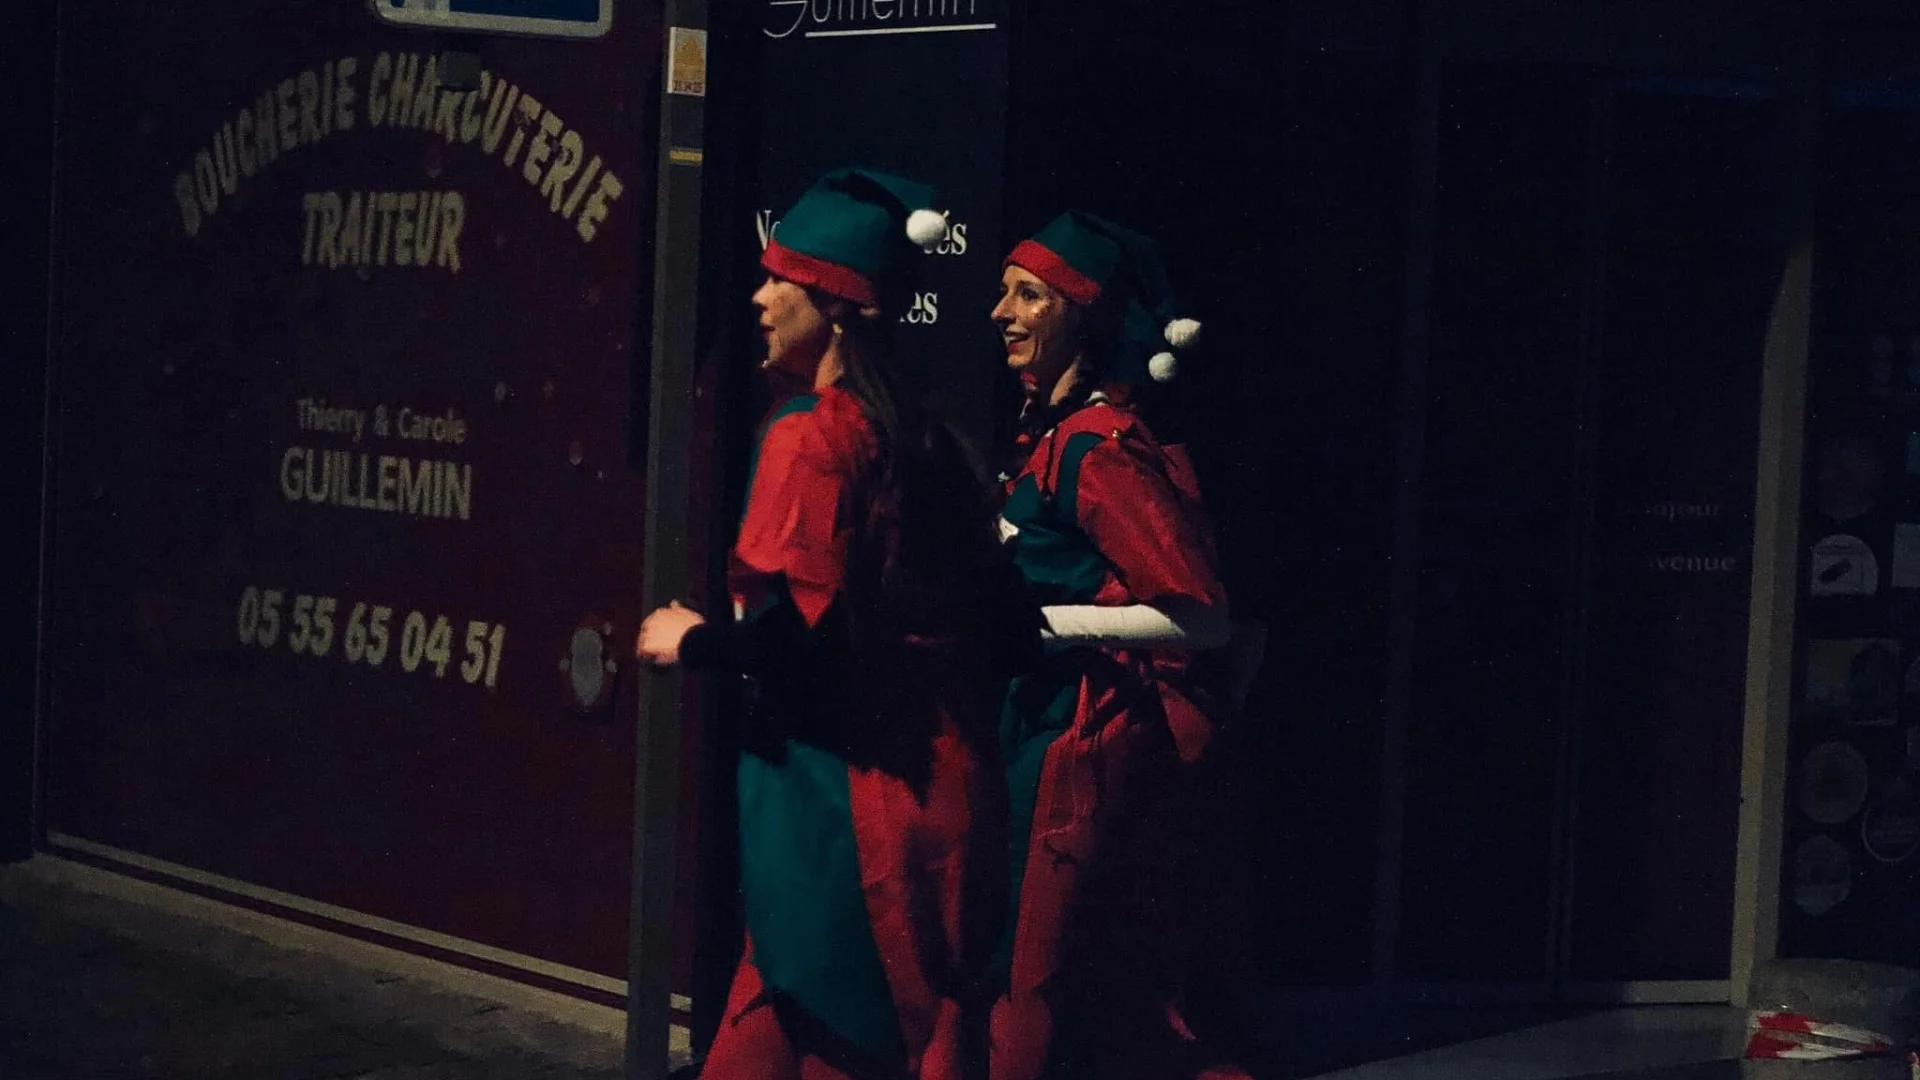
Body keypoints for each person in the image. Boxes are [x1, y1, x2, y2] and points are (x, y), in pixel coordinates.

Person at [638, 168, 1035, 1080]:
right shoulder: (929, 440)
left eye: (782, 280)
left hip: (849, 818)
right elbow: (1010, 626)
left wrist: (688, 638)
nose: (759, 297)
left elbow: (802, 642)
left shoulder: (810, 435)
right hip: (945, 798)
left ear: (838, 303)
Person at [986, 211, 1253, 1080]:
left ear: (1080, 317)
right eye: (1003, 291)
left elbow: (1202, 616)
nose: (1002, 312)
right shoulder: (1050, 440)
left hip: (1081, 739)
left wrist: (1046, 623)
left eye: (1028, 294)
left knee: (1027, 978)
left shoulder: (1097, 450)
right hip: (1044, 725)